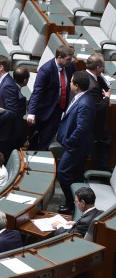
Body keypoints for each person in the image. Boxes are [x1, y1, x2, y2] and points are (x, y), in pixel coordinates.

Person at [57, 72, 96, 214]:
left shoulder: (85, 102)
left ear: (77, 86)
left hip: (76, 146)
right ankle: (79, 204)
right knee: (76, 174)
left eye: (71, 82)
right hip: (77, 145)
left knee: (63, 173)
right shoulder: (81, 97)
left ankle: (71, 203)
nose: (69, 84)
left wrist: (69, 141)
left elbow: (82, 128)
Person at [27, 44, 76, 150]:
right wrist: (31, 113)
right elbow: (37, 92)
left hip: (58, 109)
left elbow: (76, 79)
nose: (70, 61)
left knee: (47, 138)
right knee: (33, 138)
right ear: (59, 58)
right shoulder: (46, 70)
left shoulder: (70, 66)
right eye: (68, 59)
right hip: (42, 109)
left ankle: (42, 155)